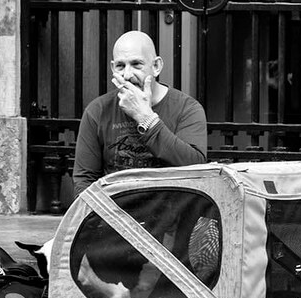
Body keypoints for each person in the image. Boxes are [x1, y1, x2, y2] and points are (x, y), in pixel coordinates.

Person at [71, 29, 208, 192]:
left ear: (156, 66)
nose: (127, 75)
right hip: (114, 212)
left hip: (170, 212)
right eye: (121, 66)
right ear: (113, 68)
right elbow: (84, 180)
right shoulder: (98, 110)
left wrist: (145, 117)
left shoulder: (187, 109)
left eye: (136, 64)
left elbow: (197, 169)